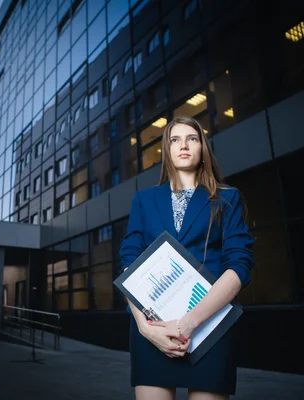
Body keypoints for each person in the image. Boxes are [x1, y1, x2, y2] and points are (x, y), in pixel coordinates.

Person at [119, 116, 254, 399]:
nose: (184, 145)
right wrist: (145, 327)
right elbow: (129, 263)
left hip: (209, 326)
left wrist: (189, 323)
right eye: (175, 140)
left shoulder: (228, 198)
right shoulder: (143, 200)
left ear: (203, 148)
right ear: (166, 151)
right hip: (154, 330)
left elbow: (239, 267)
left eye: (192, 138)